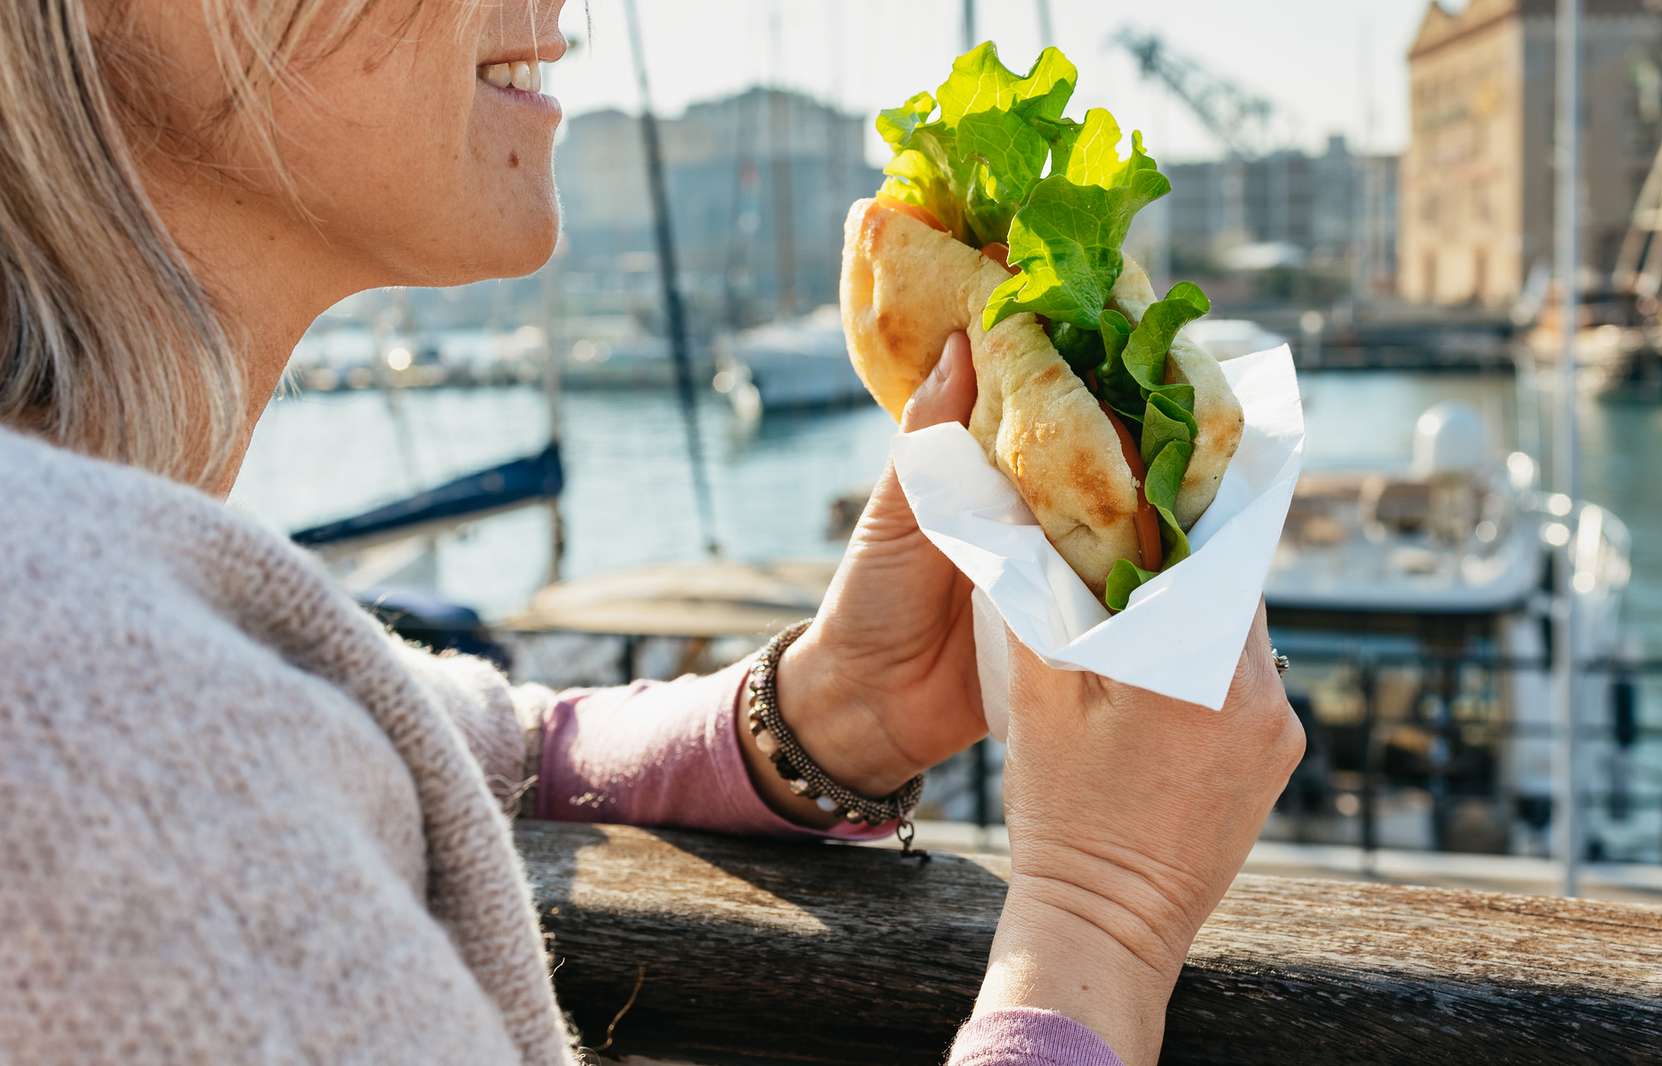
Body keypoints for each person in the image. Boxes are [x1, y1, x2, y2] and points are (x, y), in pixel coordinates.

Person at [0, 2, 1304, 1064]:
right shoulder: (91, 726)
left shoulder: (102, 619)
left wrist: (816, 713)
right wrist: (1098, 923)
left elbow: (445, 741)